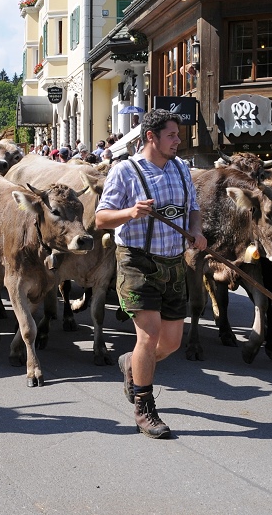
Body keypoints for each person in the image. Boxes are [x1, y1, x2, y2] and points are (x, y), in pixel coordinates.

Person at [95, 108, 207, 439]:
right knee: (149, 335)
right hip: (137, 261)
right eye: (172, 135)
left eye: (178, 135)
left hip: (173, 263)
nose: (178, 140)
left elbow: (194, 209)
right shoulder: (124, 171)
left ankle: (132, 363)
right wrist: (131, 212)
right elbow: (102, 218)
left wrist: (196, 232)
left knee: (170, 343)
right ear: (151, 137)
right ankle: (144, 407)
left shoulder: (182, 169)